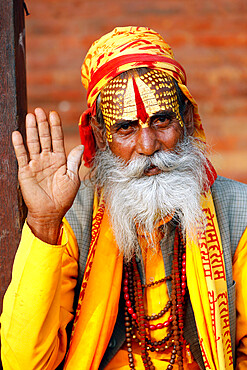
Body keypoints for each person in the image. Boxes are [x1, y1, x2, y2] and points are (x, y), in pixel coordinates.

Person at [1, 26, 247, 370]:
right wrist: (43, 222)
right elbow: (23, 363)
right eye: (126, 128)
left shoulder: (239, 212)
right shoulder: (70, 217)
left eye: (162, 121)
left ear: (187, 121)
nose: (148, 147)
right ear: (101, 136)